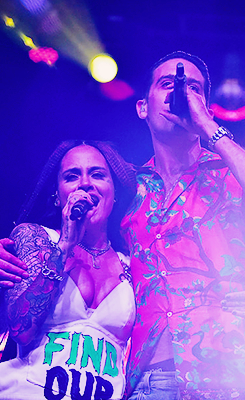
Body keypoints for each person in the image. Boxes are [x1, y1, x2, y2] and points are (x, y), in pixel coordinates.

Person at [120, 51, 245, 399]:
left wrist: (207, 127)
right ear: (143, 107)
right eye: (168, 85)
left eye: (194, 88)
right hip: (147, 379)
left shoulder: (229, 169)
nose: (181, 93)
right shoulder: (127, 185)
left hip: (228, 371)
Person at [0, 139, 136, 400]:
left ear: (113, 191)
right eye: (72, 176)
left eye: (97, 174)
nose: (85, 183)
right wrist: (65, 245)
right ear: (57, 194)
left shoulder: (132, 263)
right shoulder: (36, 238)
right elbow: (21, 329)